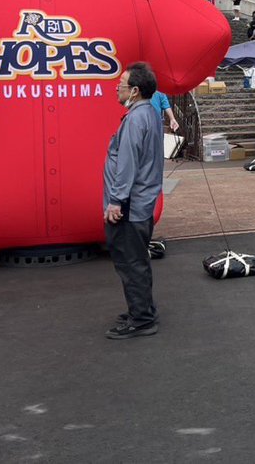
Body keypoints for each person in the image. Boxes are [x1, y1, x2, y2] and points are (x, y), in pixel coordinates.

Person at [103, 62, 166, 338]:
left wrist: (116, 200)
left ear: (136, 91)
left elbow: (126, 164)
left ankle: (141, 320)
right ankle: (143, 310)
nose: (118, 88)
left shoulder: (135, 119)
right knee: (137, 260)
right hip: (142, 202)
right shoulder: (150, 114)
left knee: (130, 263)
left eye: (122, 84)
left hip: (129, 205)